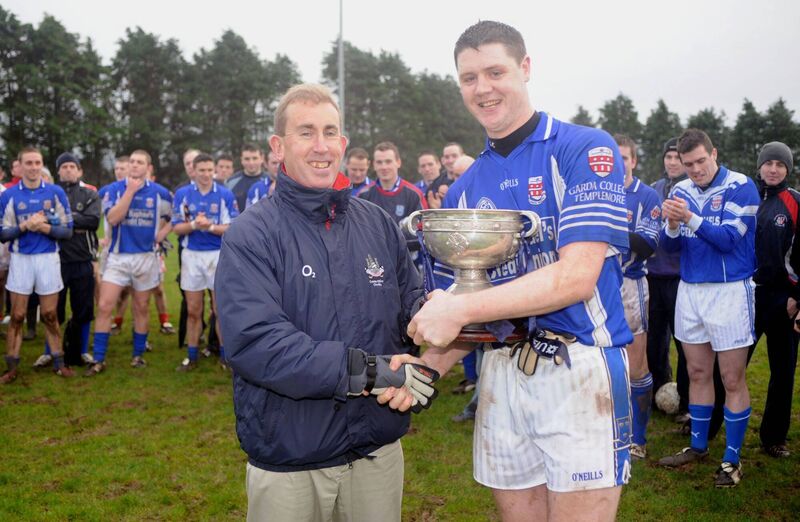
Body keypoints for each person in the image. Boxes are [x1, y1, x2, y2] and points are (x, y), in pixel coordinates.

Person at [393, 21, 633, 520]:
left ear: (525, 68)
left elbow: (576, 278)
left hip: (579, 368)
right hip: (501, 373)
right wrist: (422, 371)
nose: (483, 88)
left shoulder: (584, 149)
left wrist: (459, 309)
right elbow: (463, 319)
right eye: (469, 78)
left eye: (495, 71)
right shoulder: (462, 192)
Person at [216, 83, 438, 521]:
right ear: (278, 146)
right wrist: (373, 373)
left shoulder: (376, 223)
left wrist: (444, 320)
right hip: (293, 458)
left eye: (330, 132)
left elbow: (409, 305)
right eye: (306, 132)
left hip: (376, 449)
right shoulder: (251, 234)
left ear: (344, 142)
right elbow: (259, 345)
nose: (321, 146)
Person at [656, 129, 759, 488]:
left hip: (729, 291)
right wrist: (670, 224)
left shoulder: (740, 186)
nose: (696, 169)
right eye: (688, 164)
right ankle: (697, 446)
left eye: (701, 161)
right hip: (691, 290)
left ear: (714, 153)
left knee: (732, 378)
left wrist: (688, 219)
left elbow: (730, 240)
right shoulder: (680, 190)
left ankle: (732, 460)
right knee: (697, 373)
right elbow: (668, 249)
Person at [85, 150, 172, 376]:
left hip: (145, 258)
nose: (134, 165)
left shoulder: (160, 193)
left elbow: (174, 218)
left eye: (139, 162)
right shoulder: (114, 190)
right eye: (132, 161)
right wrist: (130, 192)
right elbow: (113, 218)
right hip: (117, 257)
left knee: (141, 307)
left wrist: (161, 235)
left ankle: (138, 355)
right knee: (105, 305)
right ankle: (99, 358)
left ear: (148, 167)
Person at [0, 146, 75, 383]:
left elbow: (67, 231)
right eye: (28, 163)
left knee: (51, 314)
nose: (33, 168)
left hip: (48, 259)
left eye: (37, 163)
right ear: (20, 166)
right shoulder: (9, 196)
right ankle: (11, 367)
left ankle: (59, 362)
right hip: (21, 260)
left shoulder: (55, 192)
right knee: (18, 315)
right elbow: (2, 234)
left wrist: (44, 228)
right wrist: (24, 226)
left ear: (42, 166)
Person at [750, 141, 799, 458]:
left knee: (782, 373)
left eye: (780, 165)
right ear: (760, 166)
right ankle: (710, 425)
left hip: (784, 299)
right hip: (748, 296)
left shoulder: (794, 201)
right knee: (729, 365)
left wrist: (797, 297)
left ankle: (773, 438)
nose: (773, 169)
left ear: (787, 169)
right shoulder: (746, 196)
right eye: (769, 163)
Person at [615, 134, 662, 460]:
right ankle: (610, 430)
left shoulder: (647, 196)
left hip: (631, 286)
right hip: (595, 284)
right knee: (602, 362)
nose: (619, 165)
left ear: (634, 160)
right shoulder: (593, 193)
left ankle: (638, 438)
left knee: (635, 365)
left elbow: (647, 244)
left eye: (625, 159)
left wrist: (605, 227)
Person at [172, 153, 238, 370]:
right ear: (194, 171)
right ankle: (192, 356)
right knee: (193, 309)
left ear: (215, 171)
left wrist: (209, 226)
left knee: (220, 309)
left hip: (218, 256)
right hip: (191, 255)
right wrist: (193, 226)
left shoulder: (225, 195)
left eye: (210, 170)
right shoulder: (183, 194)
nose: (206, 174)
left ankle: (226, 357)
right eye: (202, 170)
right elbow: (176, 227)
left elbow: (233, 229)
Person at [36, 153, 100, 368]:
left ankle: (81, 351)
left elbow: (92, 221)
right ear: (58, 171)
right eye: (64, 167)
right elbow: (43, 219)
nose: (69, 170)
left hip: (83, 260)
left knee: (83, 309)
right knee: (52, 310)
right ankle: (50, 352)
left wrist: (61, 221)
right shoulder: (49, 194)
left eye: (73, 166)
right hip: (55, 260)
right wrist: (70, 224)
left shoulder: (90, 194)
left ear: (80, 171)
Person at [647, 138, 689, 412]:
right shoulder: (655, 190)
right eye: (669, 157)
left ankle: (687, 401)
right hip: (652, 277)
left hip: (680, 279)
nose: (672, 162)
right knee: (654, 341)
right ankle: (658, 392)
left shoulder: (693, 192)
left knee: (685, 342)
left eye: (677, 157)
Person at [226, 143, 270, 212]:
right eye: (247, 159)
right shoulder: (231, 182)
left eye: (254, 158)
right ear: (241, 160)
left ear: (262, 159)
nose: (251, 163)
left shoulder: (270, 181)